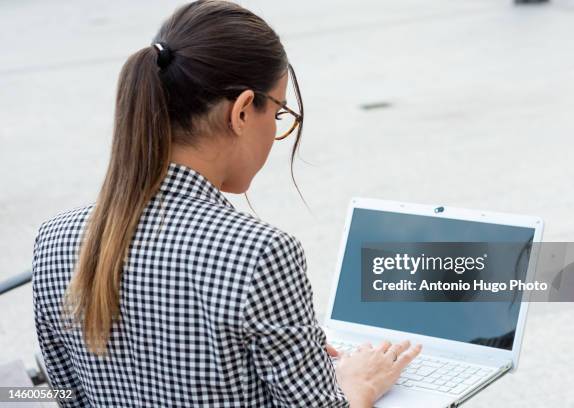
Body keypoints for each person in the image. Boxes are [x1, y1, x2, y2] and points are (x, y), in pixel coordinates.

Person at [31, 1, 422, 406]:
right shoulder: (260, 253)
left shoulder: (54, 239)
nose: (276, 130)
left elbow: (66, 396)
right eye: (279, 111)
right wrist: (359, 384)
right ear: (240, 112)